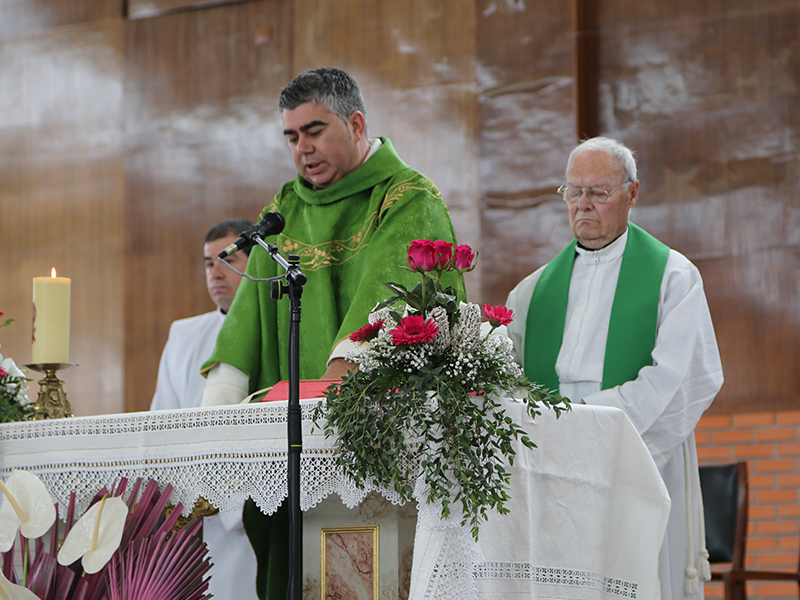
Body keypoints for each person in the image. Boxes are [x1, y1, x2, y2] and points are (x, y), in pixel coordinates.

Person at [200, 67, 462, 599]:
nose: (303, 149)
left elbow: (389, 291)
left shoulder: (409, 199)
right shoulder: (287, 207)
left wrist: (336, 384)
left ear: (357, 123)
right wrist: (224, 397)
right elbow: (250, 310)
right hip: (289, 448)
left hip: (375, 445)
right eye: (292, 137)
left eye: (315, 131)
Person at [505, 137, 723, 600]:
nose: (583, 205)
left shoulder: (672, 277)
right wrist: (554, 431)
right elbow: (510, 384)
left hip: (636, 457)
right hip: (555, 470)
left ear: (632, 193)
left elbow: (683, 378)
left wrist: (588, 422)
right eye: (573, 191)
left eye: (599, 192)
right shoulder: (532, 292)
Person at [150, 218, 259, 600]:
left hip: (253, 508)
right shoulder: (183, 335)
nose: (215, 272)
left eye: (227, 261)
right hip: (191, 516)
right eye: (208, 263)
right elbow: (160, 422)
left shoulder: (277, 329)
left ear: (257, 263)